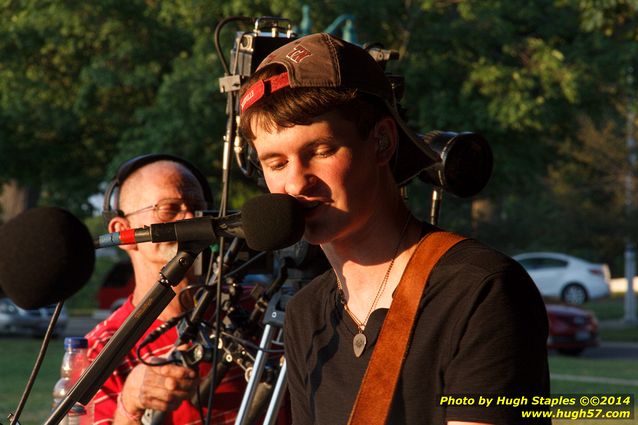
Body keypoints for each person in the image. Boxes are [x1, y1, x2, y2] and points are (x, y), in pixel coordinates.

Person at [238, 33, 551, 424]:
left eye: (320, 151)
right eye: (276, 163)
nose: (297, 184)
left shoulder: (479, 289)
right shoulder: (305, 312)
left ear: (382, 141)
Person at [86, 156, 246, 424]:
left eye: (197, 209)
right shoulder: (103, 348)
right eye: (170, 209)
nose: (189, 220)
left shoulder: (252, 306)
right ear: (122, 232)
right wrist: (129, 404)